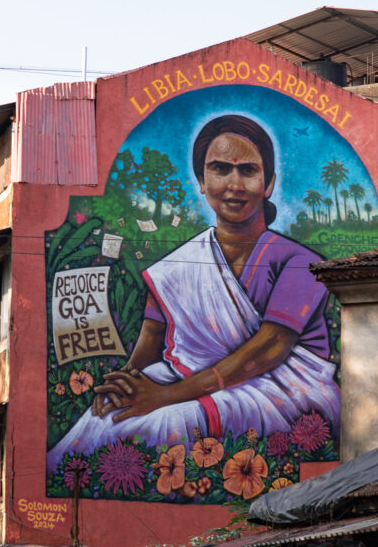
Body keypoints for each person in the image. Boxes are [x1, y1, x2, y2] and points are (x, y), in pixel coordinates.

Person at [47, 113, 339, 472]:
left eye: (248, 170)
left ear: (269, 182)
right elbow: (152, 339)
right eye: (220, 169)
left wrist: (164, 396)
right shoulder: (181, 264)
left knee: (166, 423)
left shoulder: (299, 261)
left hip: (283, 389)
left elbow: (270, 348)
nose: (234, 183)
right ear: (201, 180)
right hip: (194, 381)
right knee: (105, 418)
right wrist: (127, 382)